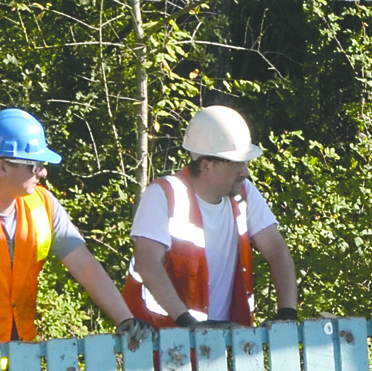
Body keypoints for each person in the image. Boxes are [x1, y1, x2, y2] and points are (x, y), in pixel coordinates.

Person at [0, 108, 153, 359]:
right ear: (2, 167)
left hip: (22, 365)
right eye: (35, 165)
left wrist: (125, 318)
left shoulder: (43, 205)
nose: (43, 172)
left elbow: (85, 266)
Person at [124, 105, 303, 329]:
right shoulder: (165, 195)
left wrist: (287, 312)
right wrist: (188, 323)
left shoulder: (244, 193)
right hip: (159, 342)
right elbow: (148, 263)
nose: (245, 171)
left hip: (221, 343)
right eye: (236, 163)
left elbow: (276, 249)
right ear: (206, 165)